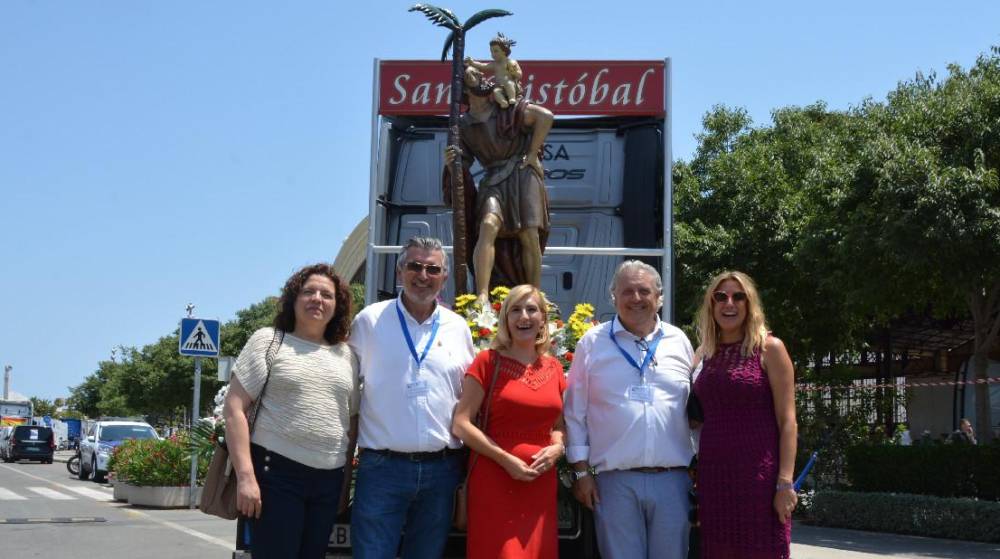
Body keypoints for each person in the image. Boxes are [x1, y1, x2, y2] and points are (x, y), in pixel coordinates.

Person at [349, 237, 476, 559]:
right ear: (399, 271)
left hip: (442, 470)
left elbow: (469, 396)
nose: (423, 275)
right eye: (415, 266)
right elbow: (347, 391)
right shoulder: (369, 321)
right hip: (382, 469)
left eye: (433, 269)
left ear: (444, 277)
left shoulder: (458, 327)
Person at [223, 263, 359, 559]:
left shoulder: (347, 356)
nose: (317, 299)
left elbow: (350, 422)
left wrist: (344, 481)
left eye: (327, 294)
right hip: (276, 475)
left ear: (338, 305)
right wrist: (246, 477)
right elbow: (233, 408)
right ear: (293, 299)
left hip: (329, 480)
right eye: (308, 291)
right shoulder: (269, 341)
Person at [564, 260, 696, 559]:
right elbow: (575, 411)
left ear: (659, 298)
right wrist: (581, 472)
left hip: (673, 480)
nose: (636, 298)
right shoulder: (592, 343)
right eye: (627, 291)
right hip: (614, 481)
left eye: (644, 291)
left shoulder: (679, 341)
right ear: (614, 297)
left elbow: (694, 409)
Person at [452, 284, 567, 559]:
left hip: (540, 483)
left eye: (531, 310)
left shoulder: (554, 368)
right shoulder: (487, 361)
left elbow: (559, 425)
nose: (523, 317)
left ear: (542, 319)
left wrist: (557, 449)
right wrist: (506, 460)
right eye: (515, 310)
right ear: (505, 319)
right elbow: (461, 424)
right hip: (495, 479)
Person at [692, 271, 797, 559]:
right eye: (720, 297)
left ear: (750, 304)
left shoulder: (770, 349)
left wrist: (785, 483)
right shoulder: (703, 354)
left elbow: (788, 421)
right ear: (711, 305)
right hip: (714, 476)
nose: (730, 303)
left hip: (758, 478)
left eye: (738, 297)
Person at [444, 64, 554, 307]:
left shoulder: (509, 110)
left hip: (522, 173)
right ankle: (483, 295)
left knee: (529, 234)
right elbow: (463, 162)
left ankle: (534, 294)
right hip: (493, 178)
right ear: (464, 88)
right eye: (471, 75)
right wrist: (453, 164)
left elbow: (545, 117)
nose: (479, 77)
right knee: (487, 224)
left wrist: (533, 154)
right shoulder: (462, 124)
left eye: (478, 73)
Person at [465, 32, 523, 109]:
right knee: (496, 92)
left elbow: (519, 74)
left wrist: (514, 72)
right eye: (491, 51)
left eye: (496, 51)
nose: (493, 54)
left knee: (509, 83)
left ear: (504, 51)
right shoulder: (494, 64)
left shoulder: (510, 62)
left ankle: (512, 98)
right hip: (500, 87)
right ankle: (503, 102)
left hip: (511, 85)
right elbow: (483, 66)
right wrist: (472, 62)